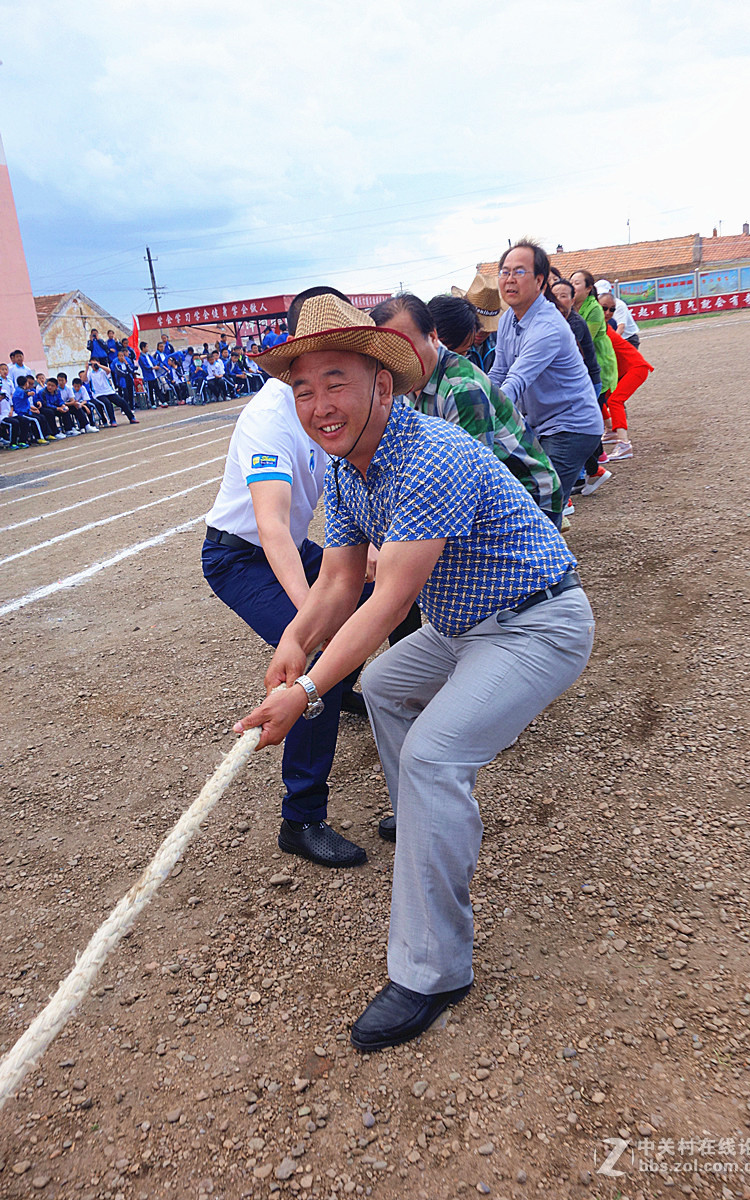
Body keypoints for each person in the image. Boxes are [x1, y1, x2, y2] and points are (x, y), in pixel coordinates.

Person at [234, 294, 595, 1051]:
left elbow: (386, 601)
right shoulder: (347, 468)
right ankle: (425, 818)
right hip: (468, 625)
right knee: (389, 687)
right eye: (302, 389)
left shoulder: (428, 454)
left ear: (382, 385)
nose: (318, 405)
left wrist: (304, 691)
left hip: (537, 622)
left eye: (336, 382)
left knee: (434, 753)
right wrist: (295, 644)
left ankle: (434, 972)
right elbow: (337, 586)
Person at [201, 373, 374, 869]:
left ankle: (339, 687)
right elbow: (271, 526)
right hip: (241, 557)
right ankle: (300, 819)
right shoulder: (270, 419)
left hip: (294, 549)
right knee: (315, 659)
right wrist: (309, 621)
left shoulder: (334, 403)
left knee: (376, 595)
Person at [372, 293, 562, 527]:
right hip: (484, 493)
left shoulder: (461, 389)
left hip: (527, 496)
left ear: (432, 336)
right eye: (388, 353)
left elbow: (470, 481)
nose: (398, 361)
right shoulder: (406, 383)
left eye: (406, 348)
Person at [488, 240, 604, 509]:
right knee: (529, 498)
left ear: (540, 281)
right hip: (539, 425)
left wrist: (482, 414)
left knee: (540, 503)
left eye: (519, 272)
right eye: (504, 272)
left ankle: (546, 547)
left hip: (571, 426)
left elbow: (515, 380)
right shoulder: (508, 319)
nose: (509, 280)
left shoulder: (548, 325)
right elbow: (499, 371)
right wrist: (476, 396)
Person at [568, 270, 617, 496]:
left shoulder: (592, 310)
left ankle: (590, 468)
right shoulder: (574, 310)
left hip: (596, 367)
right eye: (572, 282)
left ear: (589, 289)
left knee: (585, 420)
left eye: (578, 283)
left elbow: (578, 342)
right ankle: (591, 468)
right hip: (584, 372)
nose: (572, 286)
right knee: (583, 420)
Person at [598, 298, 655, 461]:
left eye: (611, 309)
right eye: (604, 308)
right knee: (602, 395)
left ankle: (624, 444)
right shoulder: (600, 328)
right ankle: (610, 431)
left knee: (615, 400)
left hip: (637, 368)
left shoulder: (602, 329)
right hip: (626, 369)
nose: (608, 313)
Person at [451, 273, 503, 372]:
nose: (481, 332)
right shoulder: (453, 343)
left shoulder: (499, 342)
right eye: (476, 326)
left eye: (487, 329)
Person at [88, 358, 138, 425]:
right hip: (98, 394)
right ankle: (112, 421)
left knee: (122, 402)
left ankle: (131, 417)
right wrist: (86, 368)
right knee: (107, 403)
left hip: (109, 391)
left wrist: (99, 365)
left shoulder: (103, 371)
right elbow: (84, 380)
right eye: (92, 364)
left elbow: (109, 371)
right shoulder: (90, 374)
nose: (93, 365)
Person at [594, 280, 641, 348]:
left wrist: (610, 344)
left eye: (604, 293)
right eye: (599, 294)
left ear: (610, 292)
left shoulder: (619, 305)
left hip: (628, 338)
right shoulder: (596, 305)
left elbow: (621, 327)